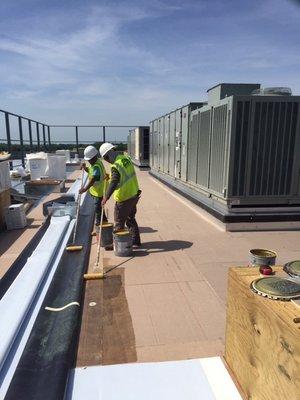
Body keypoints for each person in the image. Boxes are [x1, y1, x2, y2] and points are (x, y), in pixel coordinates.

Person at [99, 142, 141, 247]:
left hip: (124, 197)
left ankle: (118, 245)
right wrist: (111, 176)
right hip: (133, 194)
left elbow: (114, 182)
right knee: (131, 219)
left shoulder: (115, 165)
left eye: (106, 158)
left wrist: (106, 197)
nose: (107, 161)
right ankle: (135, 241)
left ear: (108, 155)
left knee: (118, 221)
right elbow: (123, 176)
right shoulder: (125, 158)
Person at [79, 145, 107, 226]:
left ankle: (98, 225)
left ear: (94, 157)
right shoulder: (95, 163)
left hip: (99, 192)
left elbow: (93, 179)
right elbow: (91, 171)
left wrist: (84, 189)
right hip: (96, 191)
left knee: (97, 209)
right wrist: (85, 168)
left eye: (89, 160)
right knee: (100, 208)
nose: (89, 161)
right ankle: (104, 221)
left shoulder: (96, 166)